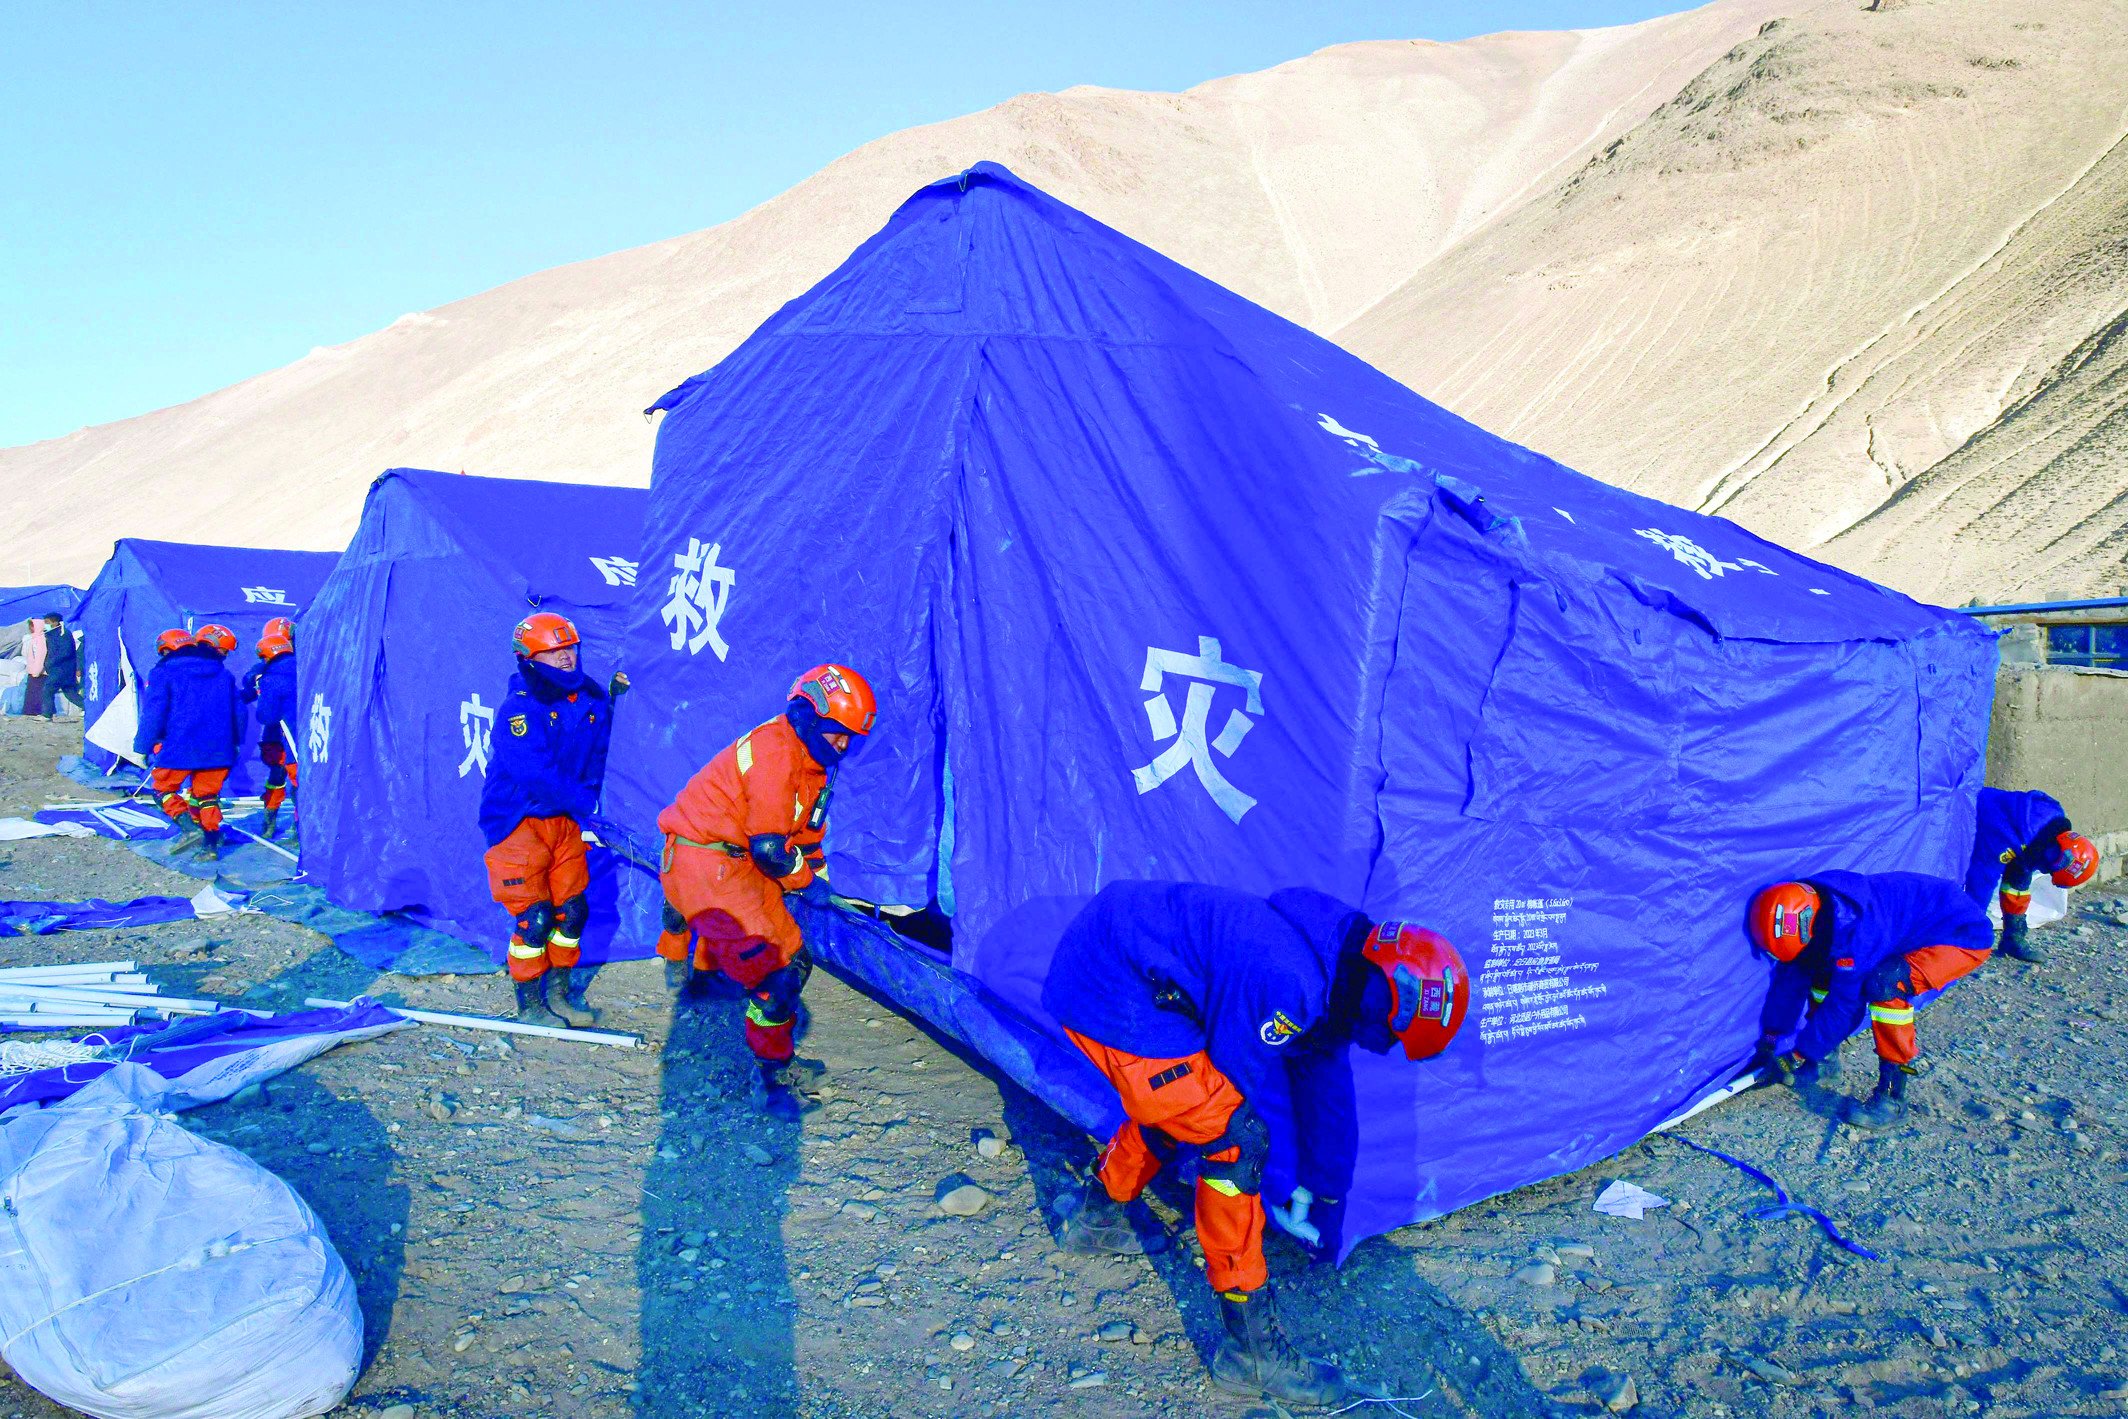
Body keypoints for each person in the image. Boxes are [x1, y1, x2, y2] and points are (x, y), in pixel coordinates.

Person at [1040, 882, 1468, 1407]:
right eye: (1390, 1037)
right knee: (1234, 1141)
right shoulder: (1292, 981)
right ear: (1385, 1006)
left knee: (1191, 1105)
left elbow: (1323, 1080)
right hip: (1109, 989)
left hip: (1109, 951)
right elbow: (1228, 1093)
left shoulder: (1340, 959)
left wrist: (1328, 1196)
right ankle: (1252, 1353)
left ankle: (1096, 1213)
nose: (1381, 1048)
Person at [654, 664, 877, 1120]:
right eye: (837, 732)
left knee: (794, 959)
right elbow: (772, 849)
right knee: (775, 978)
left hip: (732, 862)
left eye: (850, 736)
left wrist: (821, 879)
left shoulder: (811, 762)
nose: (843, 744)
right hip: (710, 862)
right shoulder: (777, 750)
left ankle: (748, 1032)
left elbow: (805, 835)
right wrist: (808, 884)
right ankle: (768, 1077)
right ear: (808, 716)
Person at [1749, 871, 1993, 1130]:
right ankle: (1823, 1064)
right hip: (1915, 925)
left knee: (1886, 985)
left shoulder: (1859, 933)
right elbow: (1791, 980)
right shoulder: (1816, 908)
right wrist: (1771, 1039)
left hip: (1962, 935)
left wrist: (1797, 1054)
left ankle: (1892, 1100)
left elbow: (1846, 1007)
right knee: (1820, 970)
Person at [478, 612, 622, 1028]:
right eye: (553, 651)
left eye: (569, 648)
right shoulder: (520, 709)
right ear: (530, 657)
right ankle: (530, 1003)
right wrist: (586, 803)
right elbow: (534, 773)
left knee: (573, 910)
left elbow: (599, 747)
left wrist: (615, 702)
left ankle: (559, 994)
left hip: (562, 820)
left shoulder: (588, 698)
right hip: (518, 818)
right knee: (536, 917)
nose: (565, 658)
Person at [135, 623, 242, 860]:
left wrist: (142, 745)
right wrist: (235, 741)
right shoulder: (223, 674)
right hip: (218, 748)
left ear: (165, 650)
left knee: (162, 790)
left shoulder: (163, 673)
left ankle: (189, 829)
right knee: (207, 795)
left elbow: (154, 712)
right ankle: (211, 845)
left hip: (178, 746)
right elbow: (239, 712)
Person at [1962, 786, 2099, 963]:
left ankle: (2013, 939)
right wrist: (1972, 931)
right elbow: (1980, 883)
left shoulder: (2047, 827)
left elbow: (2019, 879)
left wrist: (2014, 931)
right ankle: (1959, 942)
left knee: (2019, 881)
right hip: (1956, 813)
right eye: (2051, 867)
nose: (2043, 870)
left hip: (1984, 819)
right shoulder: (2008, 840)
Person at [238, 617, 300, 838]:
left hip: (280, 730)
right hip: (288, 732)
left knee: (282, 776)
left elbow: (250, 688)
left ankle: (273, 821)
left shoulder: (266, 670)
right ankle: (291, 824)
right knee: (292, 777)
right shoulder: (302, 664)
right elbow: (249, 686)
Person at [39, 614, 80, 719]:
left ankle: (47, 714)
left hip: (62, 669)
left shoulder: (63, 634)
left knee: (48, 689)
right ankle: (89, 709)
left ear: (55, 622)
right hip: (57, 669)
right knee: (70, 693)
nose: (45, 625)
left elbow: (65, 652)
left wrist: (51, 662)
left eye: (47, 622)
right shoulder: (51, 634)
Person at [20, 618, 46, 717]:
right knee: (30, 693)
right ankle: (28, 712)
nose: (30, 628)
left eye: (32, 626)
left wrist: (37, 671)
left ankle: (36, 711)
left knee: (36, 693)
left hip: (38, 672)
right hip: (32, 671)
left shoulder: (41, 640)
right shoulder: (34, 638)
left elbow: (40, 657)